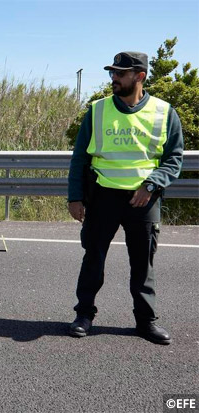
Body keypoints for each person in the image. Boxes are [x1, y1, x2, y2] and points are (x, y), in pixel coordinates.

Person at [67, 51, 184, 345]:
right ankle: (84, 315)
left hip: (144, 201)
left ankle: (146, 322)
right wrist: (75, 197)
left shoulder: (164, 112)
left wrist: (151, 185)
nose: (114, 78)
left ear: (140, 76)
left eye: (120, 73)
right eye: (112, 73)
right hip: (102, 196)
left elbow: (174, 159)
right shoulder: (97, 110)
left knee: (143, 264)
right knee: (93, 258)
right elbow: (79, 158)